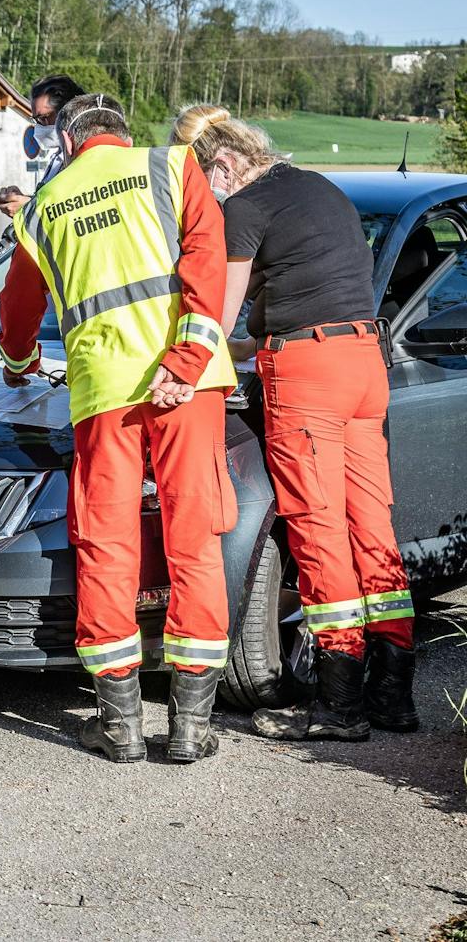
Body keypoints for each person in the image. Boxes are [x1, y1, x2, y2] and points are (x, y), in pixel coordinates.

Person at [0, 93, 237, 765]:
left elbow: (18, 309)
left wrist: (20, 364)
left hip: (103, 390)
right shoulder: (170, 165)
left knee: (106, 542)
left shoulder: (43, 207)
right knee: (194, 535)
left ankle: (120, 725)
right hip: (186, 386)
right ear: (122, 136)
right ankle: (189, 727)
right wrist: (186, 359)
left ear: (68, 143)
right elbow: (207, 265)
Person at [172, 104, 416, 741]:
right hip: (364, 363)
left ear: (223, 166)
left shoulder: (244, 208)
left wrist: (179, 366)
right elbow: (312, 295)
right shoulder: (318, 188)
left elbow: (216, 320)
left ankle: (337, 705)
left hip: (308, 377)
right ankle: (394, 692)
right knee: (372, 526)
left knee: (317, 529)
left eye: (204, 183)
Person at [0, 74, 86, 220]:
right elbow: (55, 203)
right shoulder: (59, 156)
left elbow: (80, 213)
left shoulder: (86, 157)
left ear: (69, 112)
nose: (40, 126)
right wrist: (23, 200)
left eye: (44, 117)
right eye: (36, 119)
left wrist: (29, 208)